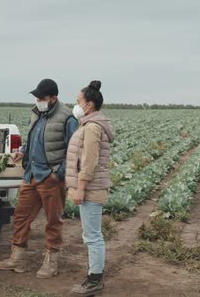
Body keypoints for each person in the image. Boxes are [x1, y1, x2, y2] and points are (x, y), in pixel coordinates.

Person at [0, 78, 78, 279]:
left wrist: (58, 174)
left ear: (53, 98)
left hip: (50, 178)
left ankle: (51, 261)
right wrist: (22, 151)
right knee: (21, 216)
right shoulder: (36, 114)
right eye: (37, 97)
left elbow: (74, 151)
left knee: (53, 221)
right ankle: (16, 258)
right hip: (31, 174)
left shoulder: (68, 118)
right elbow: (33, 139)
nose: (38, 100)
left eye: (42, 97)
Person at [66, 80, 114, 295]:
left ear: (90, 105)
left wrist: (81, 188)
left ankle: (95, 280)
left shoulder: (93, 127)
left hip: (91, 189)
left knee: (93, 236)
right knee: (92, 234)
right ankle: (93, 275)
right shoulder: (89, 124)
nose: (75, 105)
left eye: (78, 101)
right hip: (91, 187)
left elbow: (89, 162)